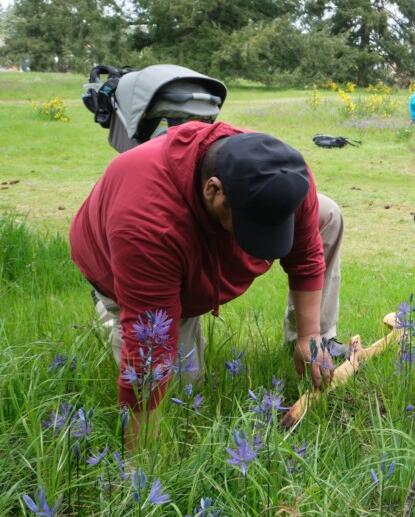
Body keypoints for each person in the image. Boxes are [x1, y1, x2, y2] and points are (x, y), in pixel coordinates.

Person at [70, 122, 344, 446]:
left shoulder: (285, 175)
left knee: (328, 213)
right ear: (213, 190)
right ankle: (111, 310)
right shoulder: (149, 223)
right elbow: (150, 348)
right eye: (252, 226)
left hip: (197, 246)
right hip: (125, 266)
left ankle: (312, 344)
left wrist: (308, 336)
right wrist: (139, 465)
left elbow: (306, 254)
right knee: (183, 394)